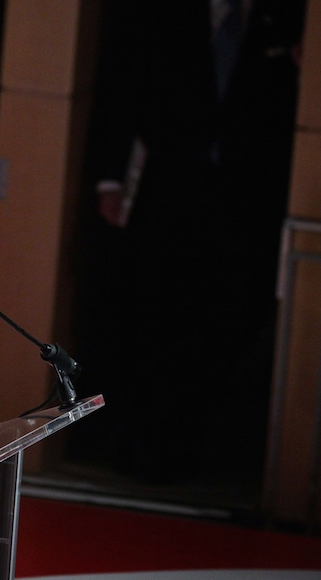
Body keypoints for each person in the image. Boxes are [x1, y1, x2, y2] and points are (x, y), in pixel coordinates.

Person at [71, 0, 304, 483]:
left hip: (249, 202)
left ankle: (205, 453)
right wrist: (109, 181)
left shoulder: (281, 22)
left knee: (227, 322)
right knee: (155, 316)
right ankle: (144, 448)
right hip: (170, 192)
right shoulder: (169, 16)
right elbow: (126, 94)